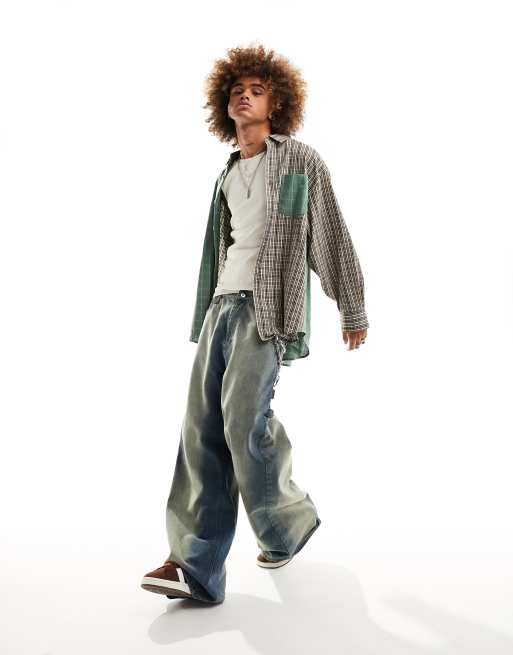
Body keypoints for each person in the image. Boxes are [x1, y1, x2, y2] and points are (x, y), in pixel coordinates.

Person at [140, 43, 369, 604]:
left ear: (277, 102)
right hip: (220, 307)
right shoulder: (226, 175)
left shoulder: (299, 162)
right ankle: (193, 567)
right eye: (237, 90)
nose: (244, 96)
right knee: (200, 430)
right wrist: (208, 315)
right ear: (225, 105)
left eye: (257, 90)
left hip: (265, 311)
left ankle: (286, 521)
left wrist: (352, 305)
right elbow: (222, 250)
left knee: (244, 420)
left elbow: (329, 235)